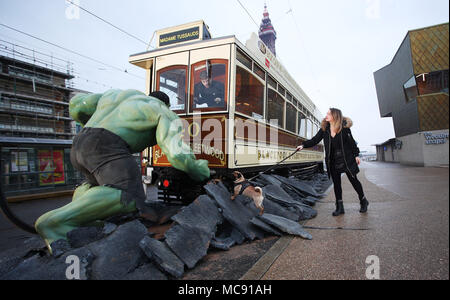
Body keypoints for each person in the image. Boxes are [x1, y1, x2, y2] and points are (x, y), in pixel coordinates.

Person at [35, 90, 210, 253]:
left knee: (96, 185)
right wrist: (199, 172)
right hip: (107, 146)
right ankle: (54, 223)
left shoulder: (117, 95)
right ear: (167, 104)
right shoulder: (163, 112)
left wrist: (85, 123)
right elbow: (178, 156)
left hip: (80, 142)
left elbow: (77, 104)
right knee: (128, 195)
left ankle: (84, 221)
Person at [297, 108, 369, 216]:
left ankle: (363, 200)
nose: (326, 115)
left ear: (335, 116)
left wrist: (356, 155)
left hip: (346, 159)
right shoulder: (324, 129)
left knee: (354, 181)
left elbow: (352, 143)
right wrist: (303, 145)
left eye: (329, 113)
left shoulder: (344, 129)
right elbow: (315, 140)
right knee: (336, 184)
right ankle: (340, 207)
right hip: (333, 160)